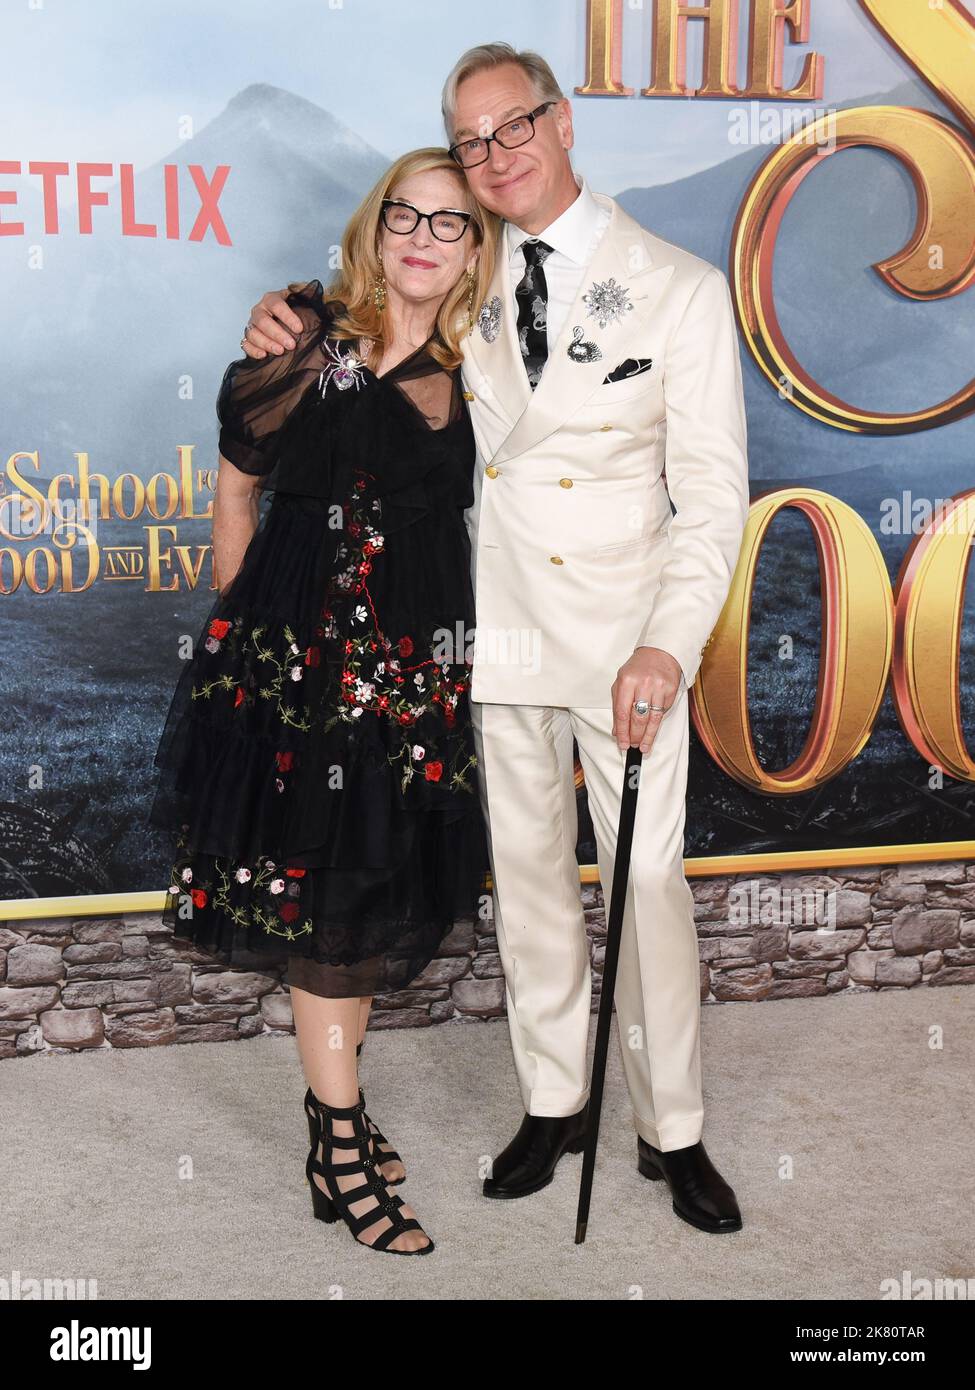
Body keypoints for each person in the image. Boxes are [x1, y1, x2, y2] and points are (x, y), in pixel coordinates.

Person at [241, 43, 750, 1235]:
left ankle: (671, 1129)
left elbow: (715, 498)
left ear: (563, 123)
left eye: (512, 127)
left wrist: (669, 646)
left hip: (632, 646)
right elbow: (363, 318)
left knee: (649, 886)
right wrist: (280, 308)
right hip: (493, 637)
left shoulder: (675, 285)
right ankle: (555, 1098)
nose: (493, 156)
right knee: (525, 881)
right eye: (470, 140)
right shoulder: (461, 276)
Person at [150, 147, 498, 1255]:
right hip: (299, 678)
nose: (423, 238)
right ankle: (341, 1142)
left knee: (362, 893)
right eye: (407, 213)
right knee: (323, 909)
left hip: (415, 679)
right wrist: (241, 655)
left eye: (451, 223)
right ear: (376, 221)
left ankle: (327, 1119)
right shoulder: (306, 334)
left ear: (476, 250)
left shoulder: (483, 363)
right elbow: (236, 487)